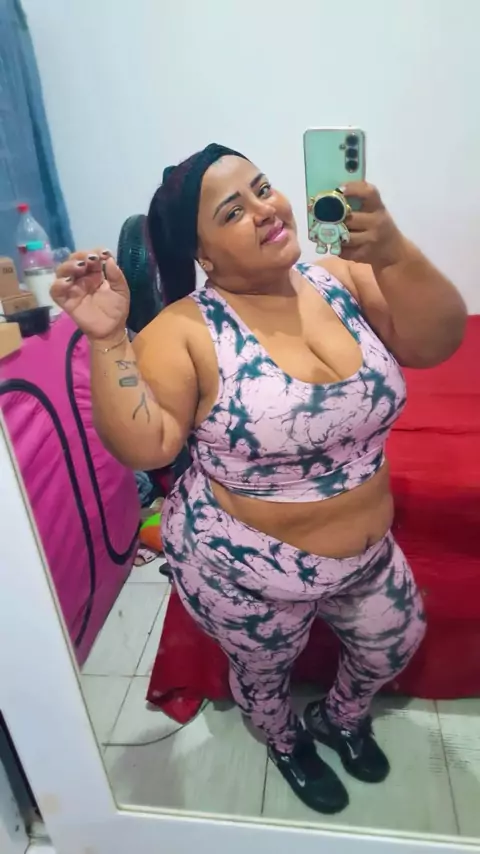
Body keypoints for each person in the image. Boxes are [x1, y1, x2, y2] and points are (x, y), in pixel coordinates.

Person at [52, 143, 466, 815]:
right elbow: (146, 445)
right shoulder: (184, 330)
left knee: (394, 639)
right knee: (263, 673)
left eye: (263, 188)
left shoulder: (342, 278)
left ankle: (341, 717)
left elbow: (436, 342)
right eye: (232, 211)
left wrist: (392, 251)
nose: (265, 209)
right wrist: (108, 340)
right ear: (203, 254)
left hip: (366, 554)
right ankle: (283, 740)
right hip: (243, 566)